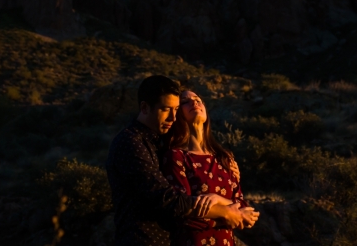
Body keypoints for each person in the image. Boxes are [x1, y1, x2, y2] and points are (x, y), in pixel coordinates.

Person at [106, 75, 257, 246]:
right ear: (145, 108)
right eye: (165, 109)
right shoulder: (132, 142)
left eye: (176, 109)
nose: (172, 117)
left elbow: (242, 206)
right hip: (143, 240)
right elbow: (167, 199)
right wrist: (225, 212)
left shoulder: (160, 143)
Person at [162, 88, 259, 246]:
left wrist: (217, 199)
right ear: (176, 114)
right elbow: (181, 213)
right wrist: (229, 215)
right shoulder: (175, 156)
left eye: (198, 100)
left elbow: (245, 210)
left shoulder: (224, 158)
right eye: (185, 102)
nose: (194, 102)